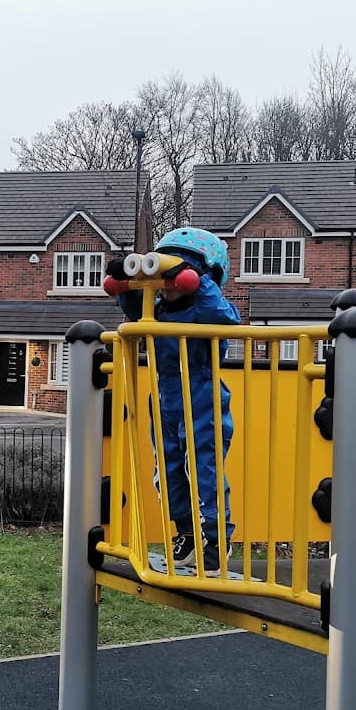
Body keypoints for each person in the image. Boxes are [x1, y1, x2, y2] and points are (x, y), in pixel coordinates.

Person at [106, 227, 241, 576]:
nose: (165, 283)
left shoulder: (206, 309)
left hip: (202, 393)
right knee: (167, 469)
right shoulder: (158, 311)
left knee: (202, 467)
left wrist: (199, 281)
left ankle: (214, 541)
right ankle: (186, 533)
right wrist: (124, 279)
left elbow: (225, 318)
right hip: (165, 395)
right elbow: (133, 307)